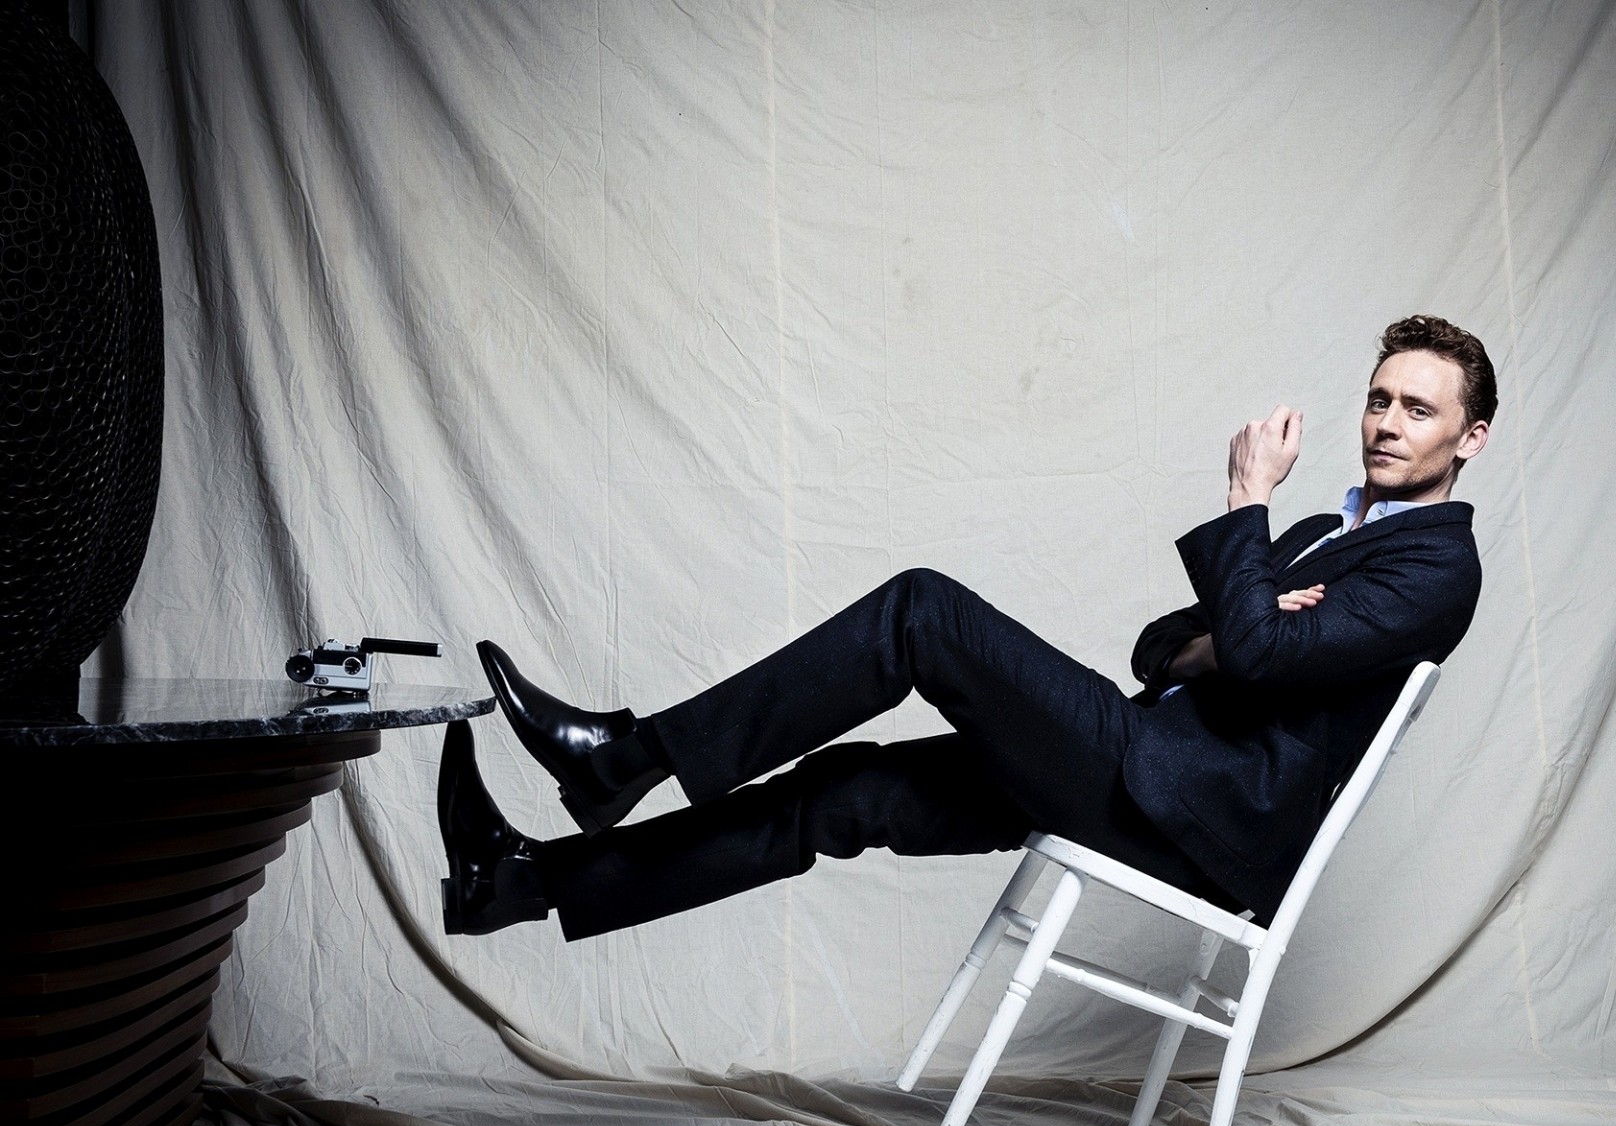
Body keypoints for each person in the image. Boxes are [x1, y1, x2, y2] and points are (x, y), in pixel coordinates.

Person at [437, 315, 1493, 940]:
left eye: (1419, 410)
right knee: (840, 792)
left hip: (1190, 815)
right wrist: (1232, 637)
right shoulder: (1320, 531)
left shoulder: (1439, 566)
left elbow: (1257, 653)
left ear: (1471, 438)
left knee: (922, 610)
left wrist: (1244, 501)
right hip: (1145, 762)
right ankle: (519, 882)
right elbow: (1161, 644)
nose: (1386, 424)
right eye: (1379, 400)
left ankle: (623, 756)